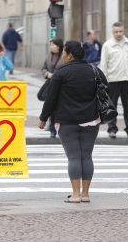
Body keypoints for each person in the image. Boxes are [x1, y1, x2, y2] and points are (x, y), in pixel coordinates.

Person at [39, 40, 107, 203]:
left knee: (74, 158)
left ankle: (75, 194)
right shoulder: (94, 70)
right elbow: (105, 90)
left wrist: (43, 118)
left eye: (64, 53)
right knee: (87, 156)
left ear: (69, 55)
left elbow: (51, 98)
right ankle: (85, 194)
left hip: (66, 121)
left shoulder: (61, 73)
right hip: (91, 120)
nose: (62, 56)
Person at [100, 22, 128, 139]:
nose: (118, 34)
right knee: (111, 106)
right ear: (112, 32)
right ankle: (112, 128)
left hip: (127, 80)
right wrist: (104, 80)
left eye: (120, 31)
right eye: (116, 32)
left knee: (127, 106)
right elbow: (104, 65)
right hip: (112, 81)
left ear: (124, 31)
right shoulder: (107, 45)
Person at [41, 38, 64, 138]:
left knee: (60, 107)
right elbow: (43, 68)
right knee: (51, 107)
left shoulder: (64, 56)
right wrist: (46, 74)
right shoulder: (49, 56)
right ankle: (52, 129)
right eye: (50, 45)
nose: (51, 47)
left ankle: (60, 127)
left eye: (53, 45)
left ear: (58, 46)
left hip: (62, 86)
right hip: (50, 84)